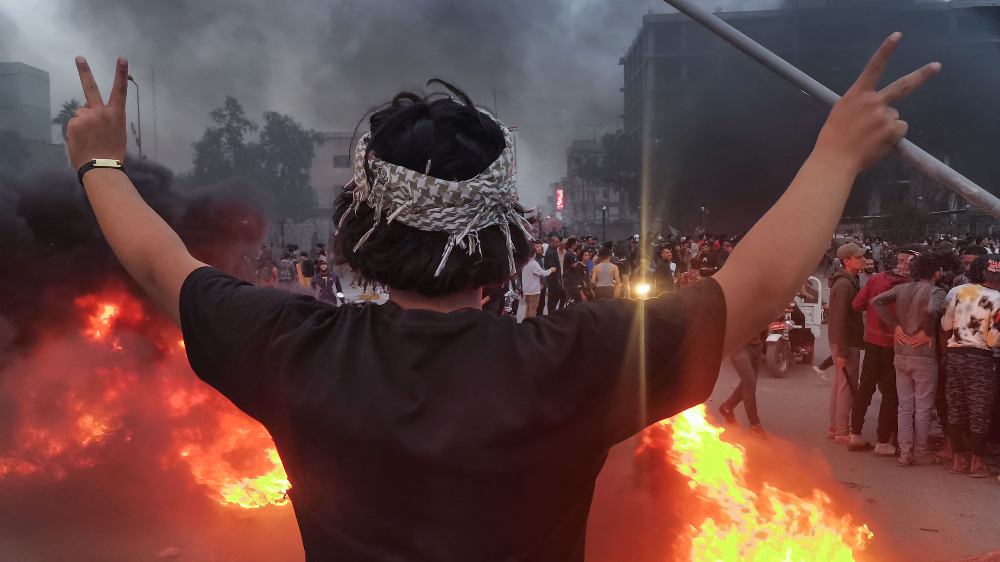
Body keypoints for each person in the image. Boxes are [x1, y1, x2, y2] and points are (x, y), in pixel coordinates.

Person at [68, 39, 936, 560]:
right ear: (504, 239)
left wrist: (99, 162)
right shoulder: (575, 362)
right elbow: (755, 287)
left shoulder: (289, 348)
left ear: (358, 229)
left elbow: (160, 265)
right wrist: (835, 156)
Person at [871, 252, 948, 467]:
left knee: (905, 406)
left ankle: (905, 453)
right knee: (923, 407)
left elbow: (876, 301)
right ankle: (920, 451)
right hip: (924, 356)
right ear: (936, 273)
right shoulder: (937, 292)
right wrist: (927, 332)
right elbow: (933, 309)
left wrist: (895, 326)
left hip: (901, 353)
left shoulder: (902, 289)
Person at [847, 247, 914, 455]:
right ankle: (883, 442)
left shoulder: (875, 280)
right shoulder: (912, 286)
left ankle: (855, 435)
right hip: (896, 347)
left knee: (865, 389)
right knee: (891, 394)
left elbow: (857, 305)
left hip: (872, 342)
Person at [940, 256, 1000, 477]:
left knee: (956, 408)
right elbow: (993, 339)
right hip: (980, 358)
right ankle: (977, 463)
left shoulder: (960, 292)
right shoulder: (999, 299)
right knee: (979, 411)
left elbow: (945, 324)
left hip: (955, 354)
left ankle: (957, 460)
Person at [828, 242, 867, 444]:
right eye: (858, 257)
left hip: (842, 340)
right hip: (845, 341)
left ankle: (835, 427)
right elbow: (840, 318)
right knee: (846, 386)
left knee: (839, 384)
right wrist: (842, 351)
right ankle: (842, 431)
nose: (863, 260)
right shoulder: (844, 285)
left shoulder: (847, 281)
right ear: (846, 261)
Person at [719, 329, 768, 438]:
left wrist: (763, 342)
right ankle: (754, 424)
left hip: (757, 345)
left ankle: (727, 407)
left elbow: (764, 324)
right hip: (739, 347)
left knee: (749, 383)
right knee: (749, 383)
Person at [522, 241, 556, 318]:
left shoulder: (524, 262)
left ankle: (526, 322)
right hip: (533, 291)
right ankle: (531, 323)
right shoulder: (533, 263)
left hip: (526, 290)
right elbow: (543, 273)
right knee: (533, 310)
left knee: (528, 309)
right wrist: (551, 270)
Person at [542, 235, 564, 313]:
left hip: (554, 279)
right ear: (552, 242)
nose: (558, 244)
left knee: (556, 297)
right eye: (557, 242)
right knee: (553, 297)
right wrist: (556, 279)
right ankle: (551, 312)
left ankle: (553, 311)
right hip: (552, 279)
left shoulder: (554, 251)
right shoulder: (551, 252)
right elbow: (552, 267)